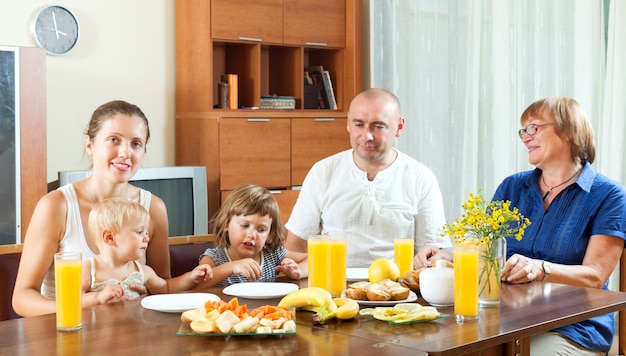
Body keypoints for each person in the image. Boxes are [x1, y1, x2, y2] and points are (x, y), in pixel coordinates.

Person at [13, 100, 171, 317]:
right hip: (63, 337)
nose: (125, 153)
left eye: (136, 143)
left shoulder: (154, 208)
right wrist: (84, 305)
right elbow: (22, 298)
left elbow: (163, 286)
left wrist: (147, 296)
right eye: (113, 140)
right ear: (90, 144)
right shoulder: (56, 206)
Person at [495, 96, 626, 355]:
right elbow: (485, 252)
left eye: (533, 127)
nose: (525, 137)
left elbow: (595, 275)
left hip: (574, 327)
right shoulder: (511, 187)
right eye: (523, 130)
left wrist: (540, 268)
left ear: (568, 130)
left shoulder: (609, 195)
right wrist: (446, 257)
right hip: (504, 321)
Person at [284, 88, 451, 269]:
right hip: (331, 288)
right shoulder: (323, 172)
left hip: (398, 290)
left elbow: (432, 250)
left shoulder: (421, 178)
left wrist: (438, 257)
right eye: (359, 124)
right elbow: (295, 244)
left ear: (399, 127)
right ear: (348, 123)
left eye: (378, 126)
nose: (367, 136)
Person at [83, 199, 212, 306]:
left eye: (146, 232)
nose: (147, 238)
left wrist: (191, 277)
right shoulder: (88, 269)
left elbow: (166, 288)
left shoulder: (142, 271)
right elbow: (70, 301)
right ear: (109, 237)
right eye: (140, 232)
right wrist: (98, 297)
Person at [195, 184, 307, 287]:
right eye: (244, 225)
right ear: (226, 224)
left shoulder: (272, 254)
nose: (252, 235)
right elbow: (197, 286)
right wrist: (231, 268)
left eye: (261, 230)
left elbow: (313, 260)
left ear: (269, 233)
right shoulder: (214, 258)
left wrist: (299, 271)